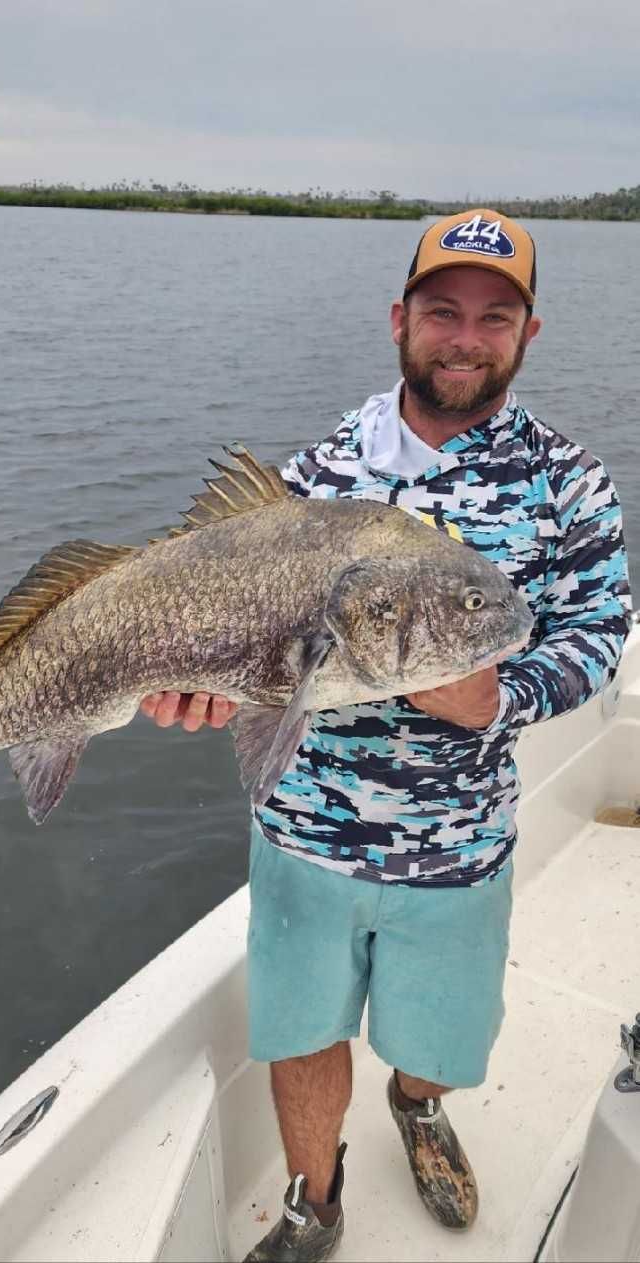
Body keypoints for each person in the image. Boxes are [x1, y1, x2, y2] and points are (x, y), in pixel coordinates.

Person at [140, 208, 633, 1262]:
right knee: (302, 1037)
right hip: (304, 839)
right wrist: (200, 692)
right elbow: (232, 643)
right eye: (443, 310)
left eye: (494, 318)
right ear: (399, 318)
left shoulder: (571, 486)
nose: (465, 337)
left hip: (460, 850)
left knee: (439, 1046)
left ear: (529, 335)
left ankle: (417, 1105)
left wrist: (502, 697)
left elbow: (597, 638)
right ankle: (315, 1205)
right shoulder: (311, 479)